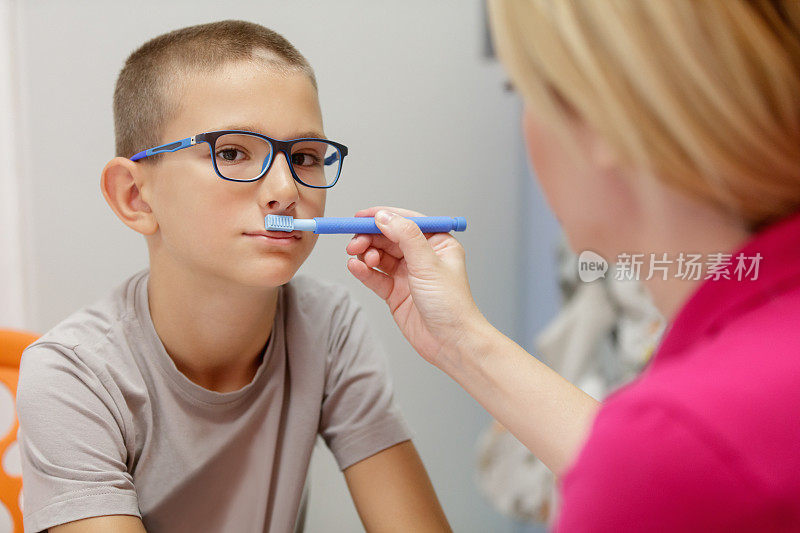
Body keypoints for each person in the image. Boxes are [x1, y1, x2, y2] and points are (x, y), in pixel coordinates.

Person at [346, 0, 800, 530]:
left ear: (600, 118)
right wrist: (460, 340)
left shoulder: (684, 446)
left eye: (524, 92)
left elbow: (667, 470)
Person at [16, 20, 450, 533]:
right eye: (232, 152)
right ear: (134, 196)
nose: (285, 189)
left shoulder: (329, 329)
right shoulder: (72, 377)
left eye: (305, 157)